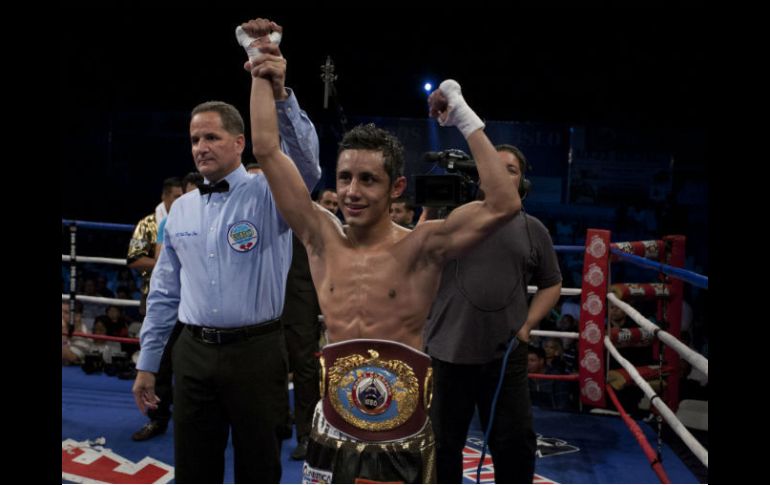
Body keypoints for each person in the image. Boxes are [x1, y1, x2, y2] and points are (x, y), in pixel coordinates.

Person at [247, 20, 521, 482]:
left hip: (402, 430)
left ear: (396, 187)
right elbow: (268, 150)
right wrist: (261, 68)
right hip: (333, 424)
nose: (352, 191)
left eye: (367, 180)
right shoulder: (320, 236)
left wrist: (461, 114)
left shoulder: (422, 247)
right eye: (345, 178)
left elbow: (504, 202)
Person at [132, 18, 321, 483]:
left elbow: (307, 167)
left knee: (259, 468)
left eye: (211, 137)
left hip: (257, 352)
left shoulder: (266, 194)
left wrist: (280, 92)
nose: (200, 147)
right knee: (194, 470)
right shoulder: (180, 211)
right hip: (193, 353)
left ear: (240, 143)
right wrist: (147, 362)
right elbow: (163, 294)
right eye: (195, 138)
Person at [422, 144, 562, 484]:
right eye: (494, 167)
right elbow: (417, 259)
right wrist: (427, 216)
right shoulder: (453, 220)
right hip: (446, 351)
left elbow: (552, 283)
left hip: (505, 355)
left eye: (510, 169)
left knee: (514, 443)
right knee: (441, 445)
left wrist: (528, 324)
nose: (500, 174)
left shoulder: (534, 231)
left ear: (522, 183)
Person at [131, 174, 203, 442]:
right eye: (189, 194)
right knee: (161, 363)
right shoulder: (170, 222)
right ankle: (158, 419)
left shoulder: (219, 221)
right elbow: (163, 262)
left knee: (193, 369)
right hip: (174, 303)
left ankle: (196, 422)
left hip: (199, 309)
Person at [127, 177, 184, 316]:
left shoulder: (188, 220)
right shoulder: (146, 225)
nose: (181, 201)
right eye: (176, 197)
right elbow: (134, 260)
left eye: (183, 197)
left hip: (185, 292)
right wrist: (168, 265)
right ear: (164, 196)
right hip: (153, 290)